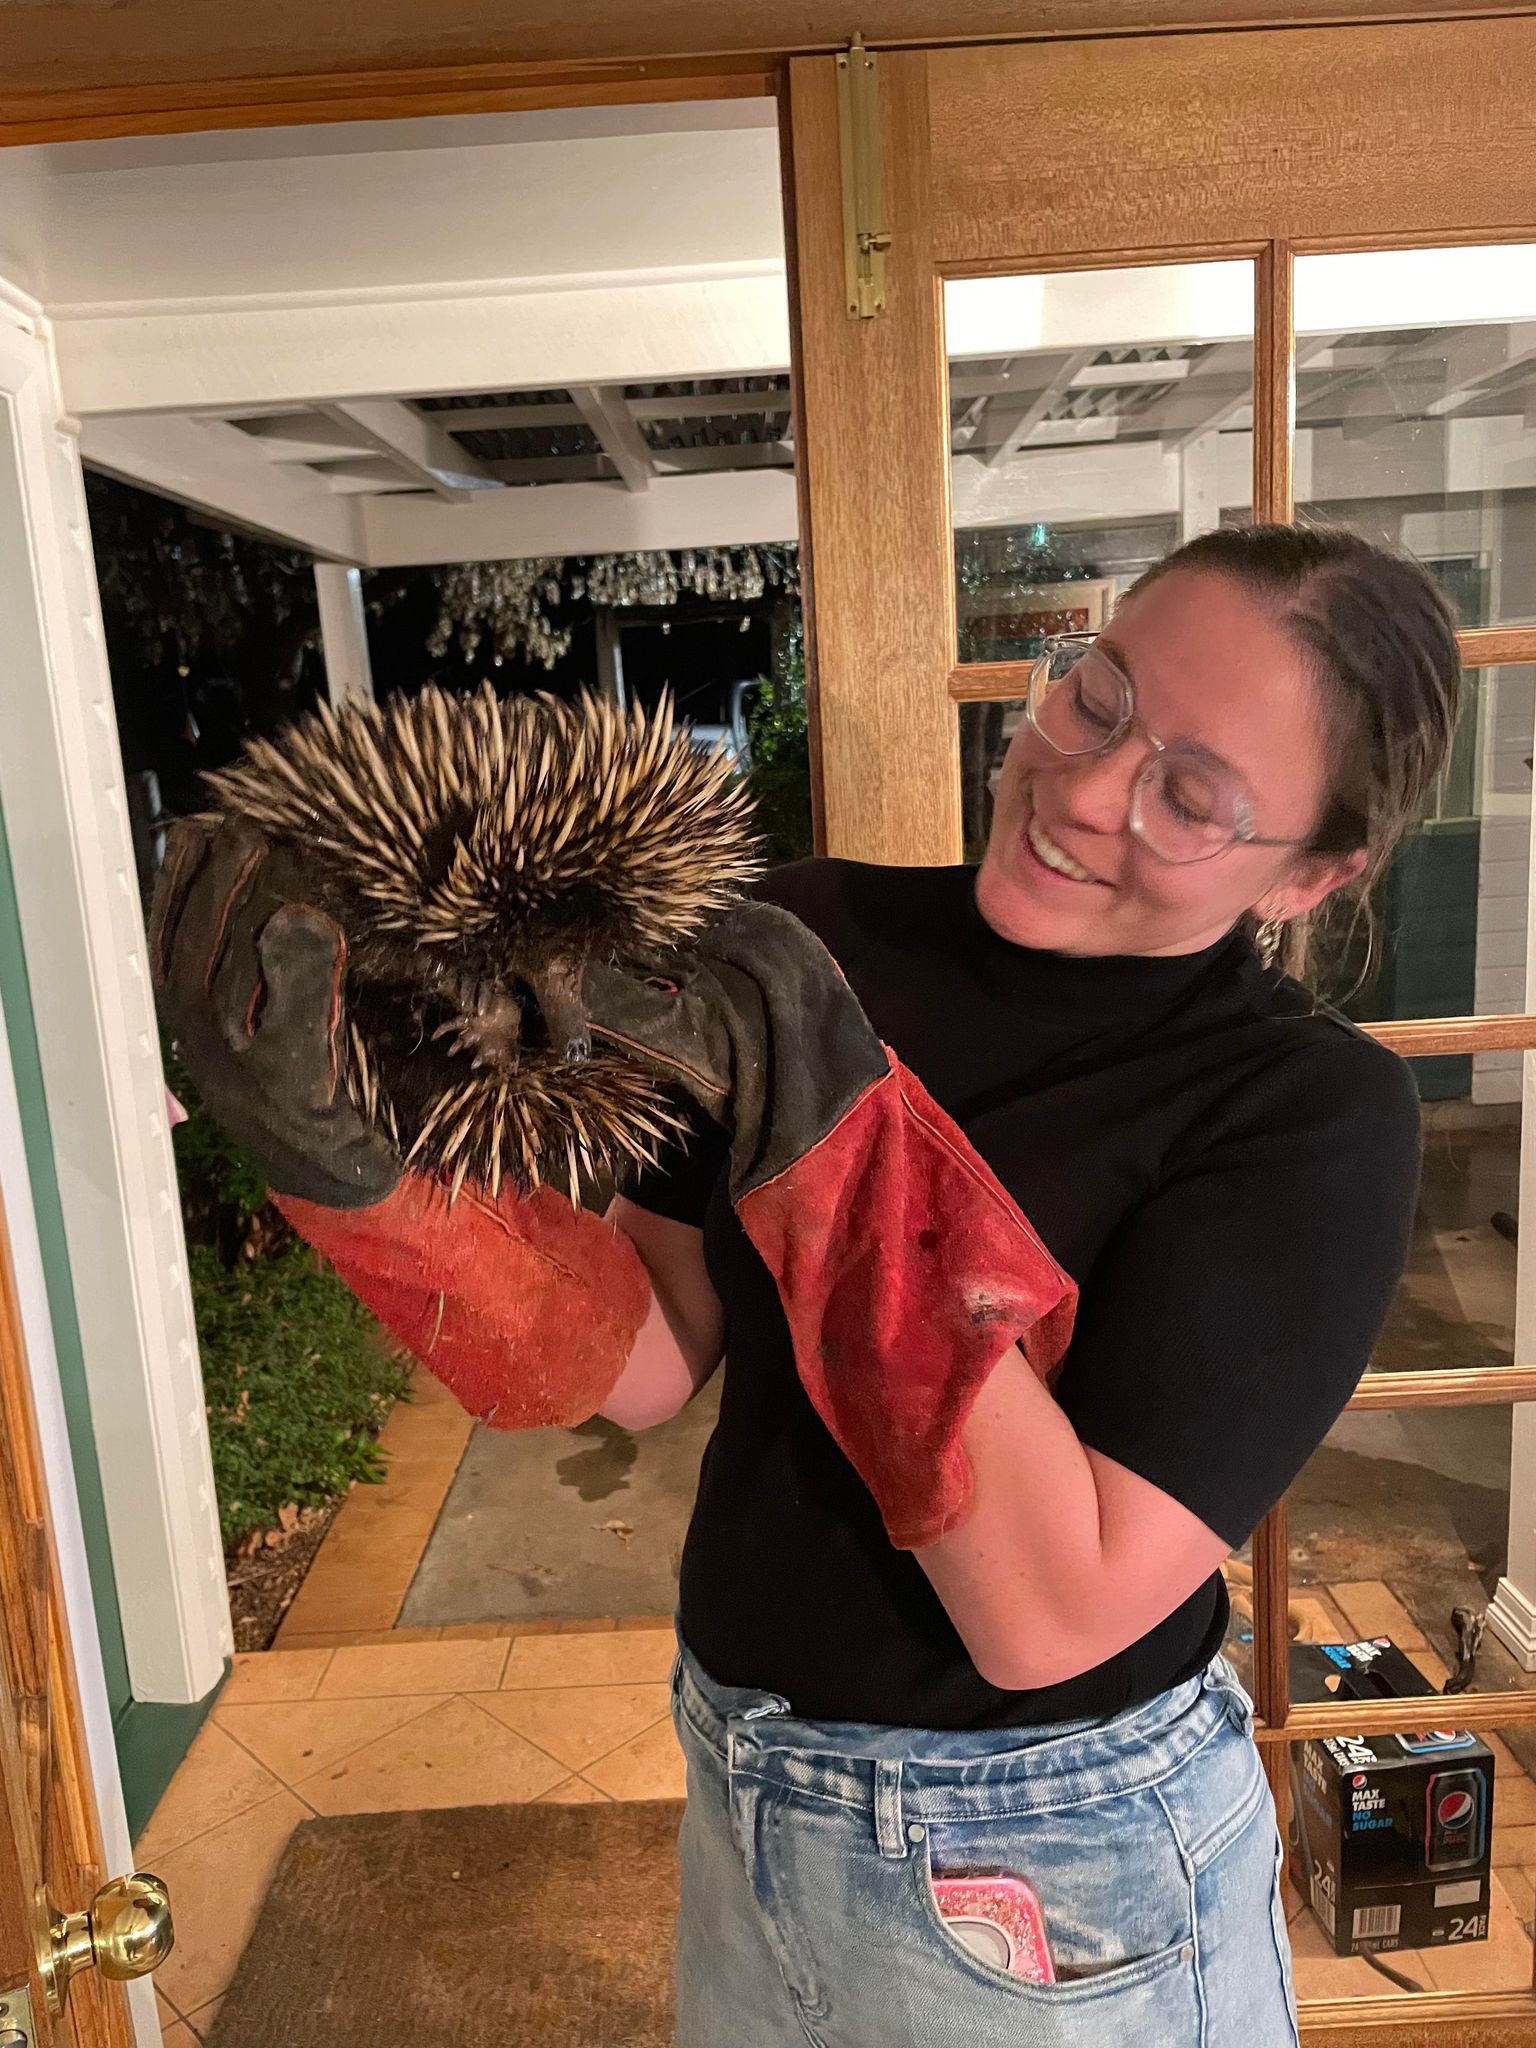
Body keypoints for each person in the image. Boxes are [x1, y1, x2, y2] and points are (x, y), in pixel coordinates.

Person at [152, 523, 1458, 2046]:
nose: (1088, 789)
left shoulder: (1304, 1114)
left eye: (1190, 797)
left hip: (1050, 1864)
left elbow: (1046, 1615)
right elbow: (642, 1351)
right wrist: (359, 1171)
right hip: (742, 1775)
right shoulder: (811, 934)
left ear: (1313, 871)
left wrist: (845, 1140)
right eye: (1096, 700)